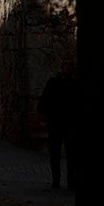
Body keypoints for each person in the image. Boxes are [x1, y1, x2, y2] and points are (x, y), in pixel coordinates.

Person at [38, 61, 80, 189]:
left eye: (71, 66)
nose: (69, 68)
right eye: (67, 66)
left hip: (67, 124)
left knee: (70, 153)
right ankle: (57, 180)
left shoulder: (69, 84)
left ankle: (69, 179)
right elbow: (43, 103)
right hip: (58, 124)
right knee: (57, 153)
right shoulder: (54, 83)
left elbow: (42, 104)